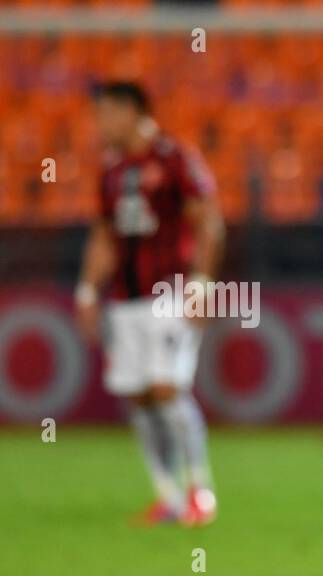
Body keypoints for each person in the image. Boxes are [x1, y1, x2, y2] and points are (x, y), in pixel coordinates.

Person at [75, 81, 223, 526]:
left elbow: (209, 222)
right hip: (125, 299)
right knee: (139, 397)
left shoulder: (175, 159)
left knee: (167, 389)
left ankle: (201, 492)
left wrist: (201, 285)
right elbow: (104, 235)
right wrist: (87, 290)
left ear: (131, 111)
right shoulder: (111, 171)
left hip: (170, 292)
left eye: (105, 114)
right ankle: (168, 496)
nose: (100, 124)